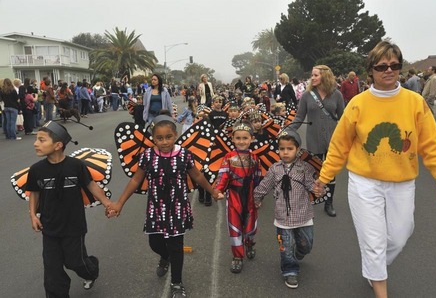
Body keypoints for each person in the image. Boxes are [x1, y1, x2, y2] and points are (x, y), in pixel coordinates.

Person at [314, 41, 436, 298]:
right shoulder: (357, 104)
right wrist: (324, 177)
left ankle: (374, 267)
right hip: (364, 182)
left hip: (402, 181)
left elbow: (433, 145)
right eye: (382, 66)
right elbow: (339, 146)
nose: (389, 70)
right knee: (374, 243)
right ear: (371, 70)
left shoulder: (415, 102)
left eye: (395, 65)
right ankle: (379, 285)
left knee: (399, 237)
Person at [107, 115, 221, 298]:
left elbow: (198, 176)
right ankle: (165, 256)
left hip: (178, 207)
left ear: (175, 135)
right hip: (156, 208)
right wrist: (120, 202)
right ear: (154, 139)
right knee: (155, 243)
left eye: (168, 137)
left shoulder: (184, 154)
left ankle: (177, 283)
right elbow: (136, 179)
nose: (165, 141)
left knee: (176, 246)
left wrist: (212, 191)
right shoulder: (147, 155)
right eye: (160, 138)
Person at [26, 121, 112, 297]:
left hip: (74, 226)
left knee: (76, 262)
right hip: (49, 227)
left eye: (41, 140)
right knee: (52, 271)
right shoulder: (36, 170)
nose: (36, 144)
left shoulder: (76, 166)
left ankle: (91, 270)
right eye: (36, 140)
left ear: (58, 145)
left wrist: (107, 203)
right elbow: (34, 193)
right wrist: (33, 215)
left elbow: (91, 185)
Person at [254, 129, 316, 289]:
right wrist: (256, 198)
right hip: (283, 217)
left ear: (298, 150)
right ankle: (290, 271)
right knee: (286, 247)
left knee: (306, 244)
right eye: (282, 149)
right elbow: (264, 185)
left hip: (303, 214)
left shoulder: (304, 168)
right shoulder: (275, 169)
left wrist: (318, 188)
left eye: (290, 149)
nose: (286, 152)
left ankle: (300, 252)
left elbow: (310, 184)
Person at [289, 64, 344, 217]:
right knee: (313, 171)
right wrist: (288, 130)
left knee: (330, 172)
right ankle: (311, 200)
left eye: (315, 75)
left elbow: (344, 117)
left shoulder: (337, 95)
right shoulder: (307, 96)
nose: (312, 78)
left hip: (332, 139)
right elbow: (299, 117)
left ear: (324, 76)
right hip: (313, 139)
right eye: (312, 75)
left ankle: (329, 202)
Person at [214, 121, 261, 274]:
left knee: (250, 225)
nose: (241, 141)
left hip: (250, 196)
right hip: (234, 195)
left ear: (252, 139)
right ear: (232, 139)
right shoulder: (229, 157)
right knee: (234, 226)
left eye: (245, 138)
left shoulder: (255, 157)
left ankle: (249, 243)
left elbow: (258, 178)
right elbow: (223, 175)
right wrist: (219, 190)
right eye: (238, 138)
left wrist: (259, 197)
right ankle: (237, 257)